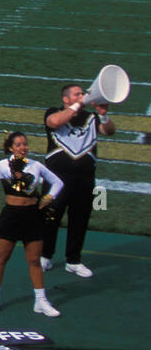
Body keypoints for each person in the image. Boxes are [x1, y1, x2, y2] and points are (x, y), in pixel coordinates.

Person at [40, 82, 115, 277]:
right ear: (66, 99)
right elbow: (55, 123)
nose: (82, 96)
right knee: (50, 216)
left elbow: (109, 131)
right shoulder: (53, 111)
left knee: (79, 219)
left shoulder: (91, 117)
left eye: (83, 93)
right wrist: (76, 106)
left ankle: (73, 260)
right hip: (57, 178)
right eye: (77, 94)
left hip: (85, 178)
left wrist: (104, 115)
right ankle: (45, 255)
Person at [0, 131, 63, 318]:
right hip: (11, 215)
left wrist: (49, 197)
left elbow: (58, 182)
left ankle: (41, 301)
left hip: (32, 216)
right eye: (18, 145)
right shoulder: (3, 164)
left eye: (25, 144)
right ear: (11, 148)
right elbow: (21, 185)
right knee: (1, 258)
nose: (23, 148)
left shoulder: (36, 165)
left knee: (34, 260)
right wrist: (23, 175)